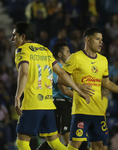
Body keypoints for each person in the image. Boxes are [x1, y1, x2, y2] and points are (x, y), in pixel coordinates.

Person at [62, 27, 118, 150]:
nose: (101, 42)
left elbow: (107, 83)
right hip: (81, 111)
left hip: (99, 112)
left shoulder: (103, 60)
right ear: (88, 40)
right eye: (97, 39)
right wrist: (78, 85)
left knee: (99, 147)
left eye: (102, 39)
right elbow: (60, 78)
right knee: (74, 146)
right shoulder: (76, 57)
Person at [11, 22, 89, 150]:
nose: (12, 39)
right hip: (48, 105)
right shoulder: (45, 50)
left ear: (23, 36)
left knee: (22, 143)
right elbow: (62, 73)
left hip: (32, 103)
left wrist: (17, 97)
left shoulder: (21, 50)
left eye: (14, 36)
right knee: (55, 143)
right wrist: (79, 90)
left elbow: (24, 72)